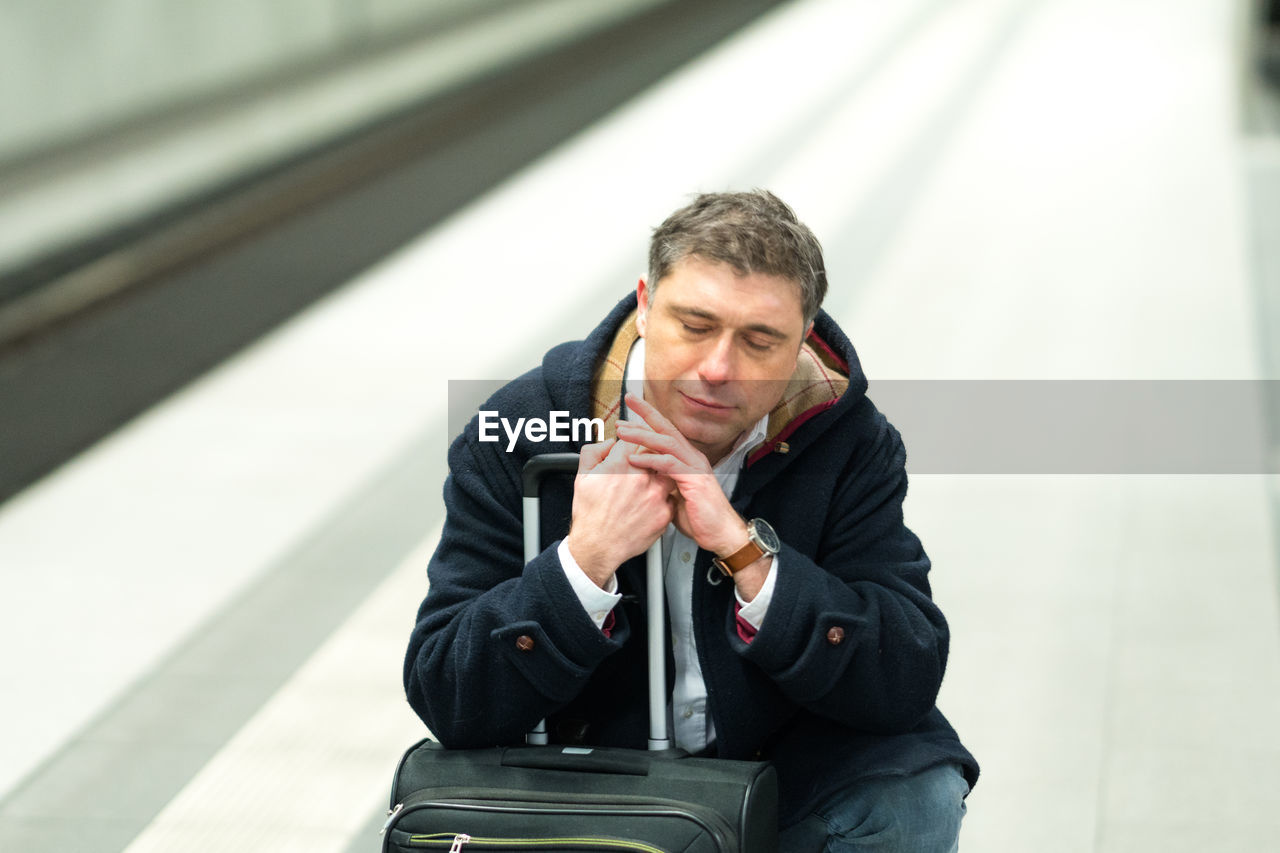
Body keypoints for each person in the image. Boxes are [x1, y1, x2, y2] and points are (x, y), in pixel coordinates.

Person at [404, 190, 979, 851]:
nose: (717, 369)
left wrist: (745, 554)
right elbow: (446, 691)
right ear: (646, 305)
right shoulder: (522, 429)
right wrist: (583, 563)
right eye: (695, 325)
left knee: (913, 798)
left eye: (760, 341)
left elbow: (901, 675)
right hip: (583, 788)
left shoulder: (848, 440)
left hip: (784, 774)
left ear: (800, 346)